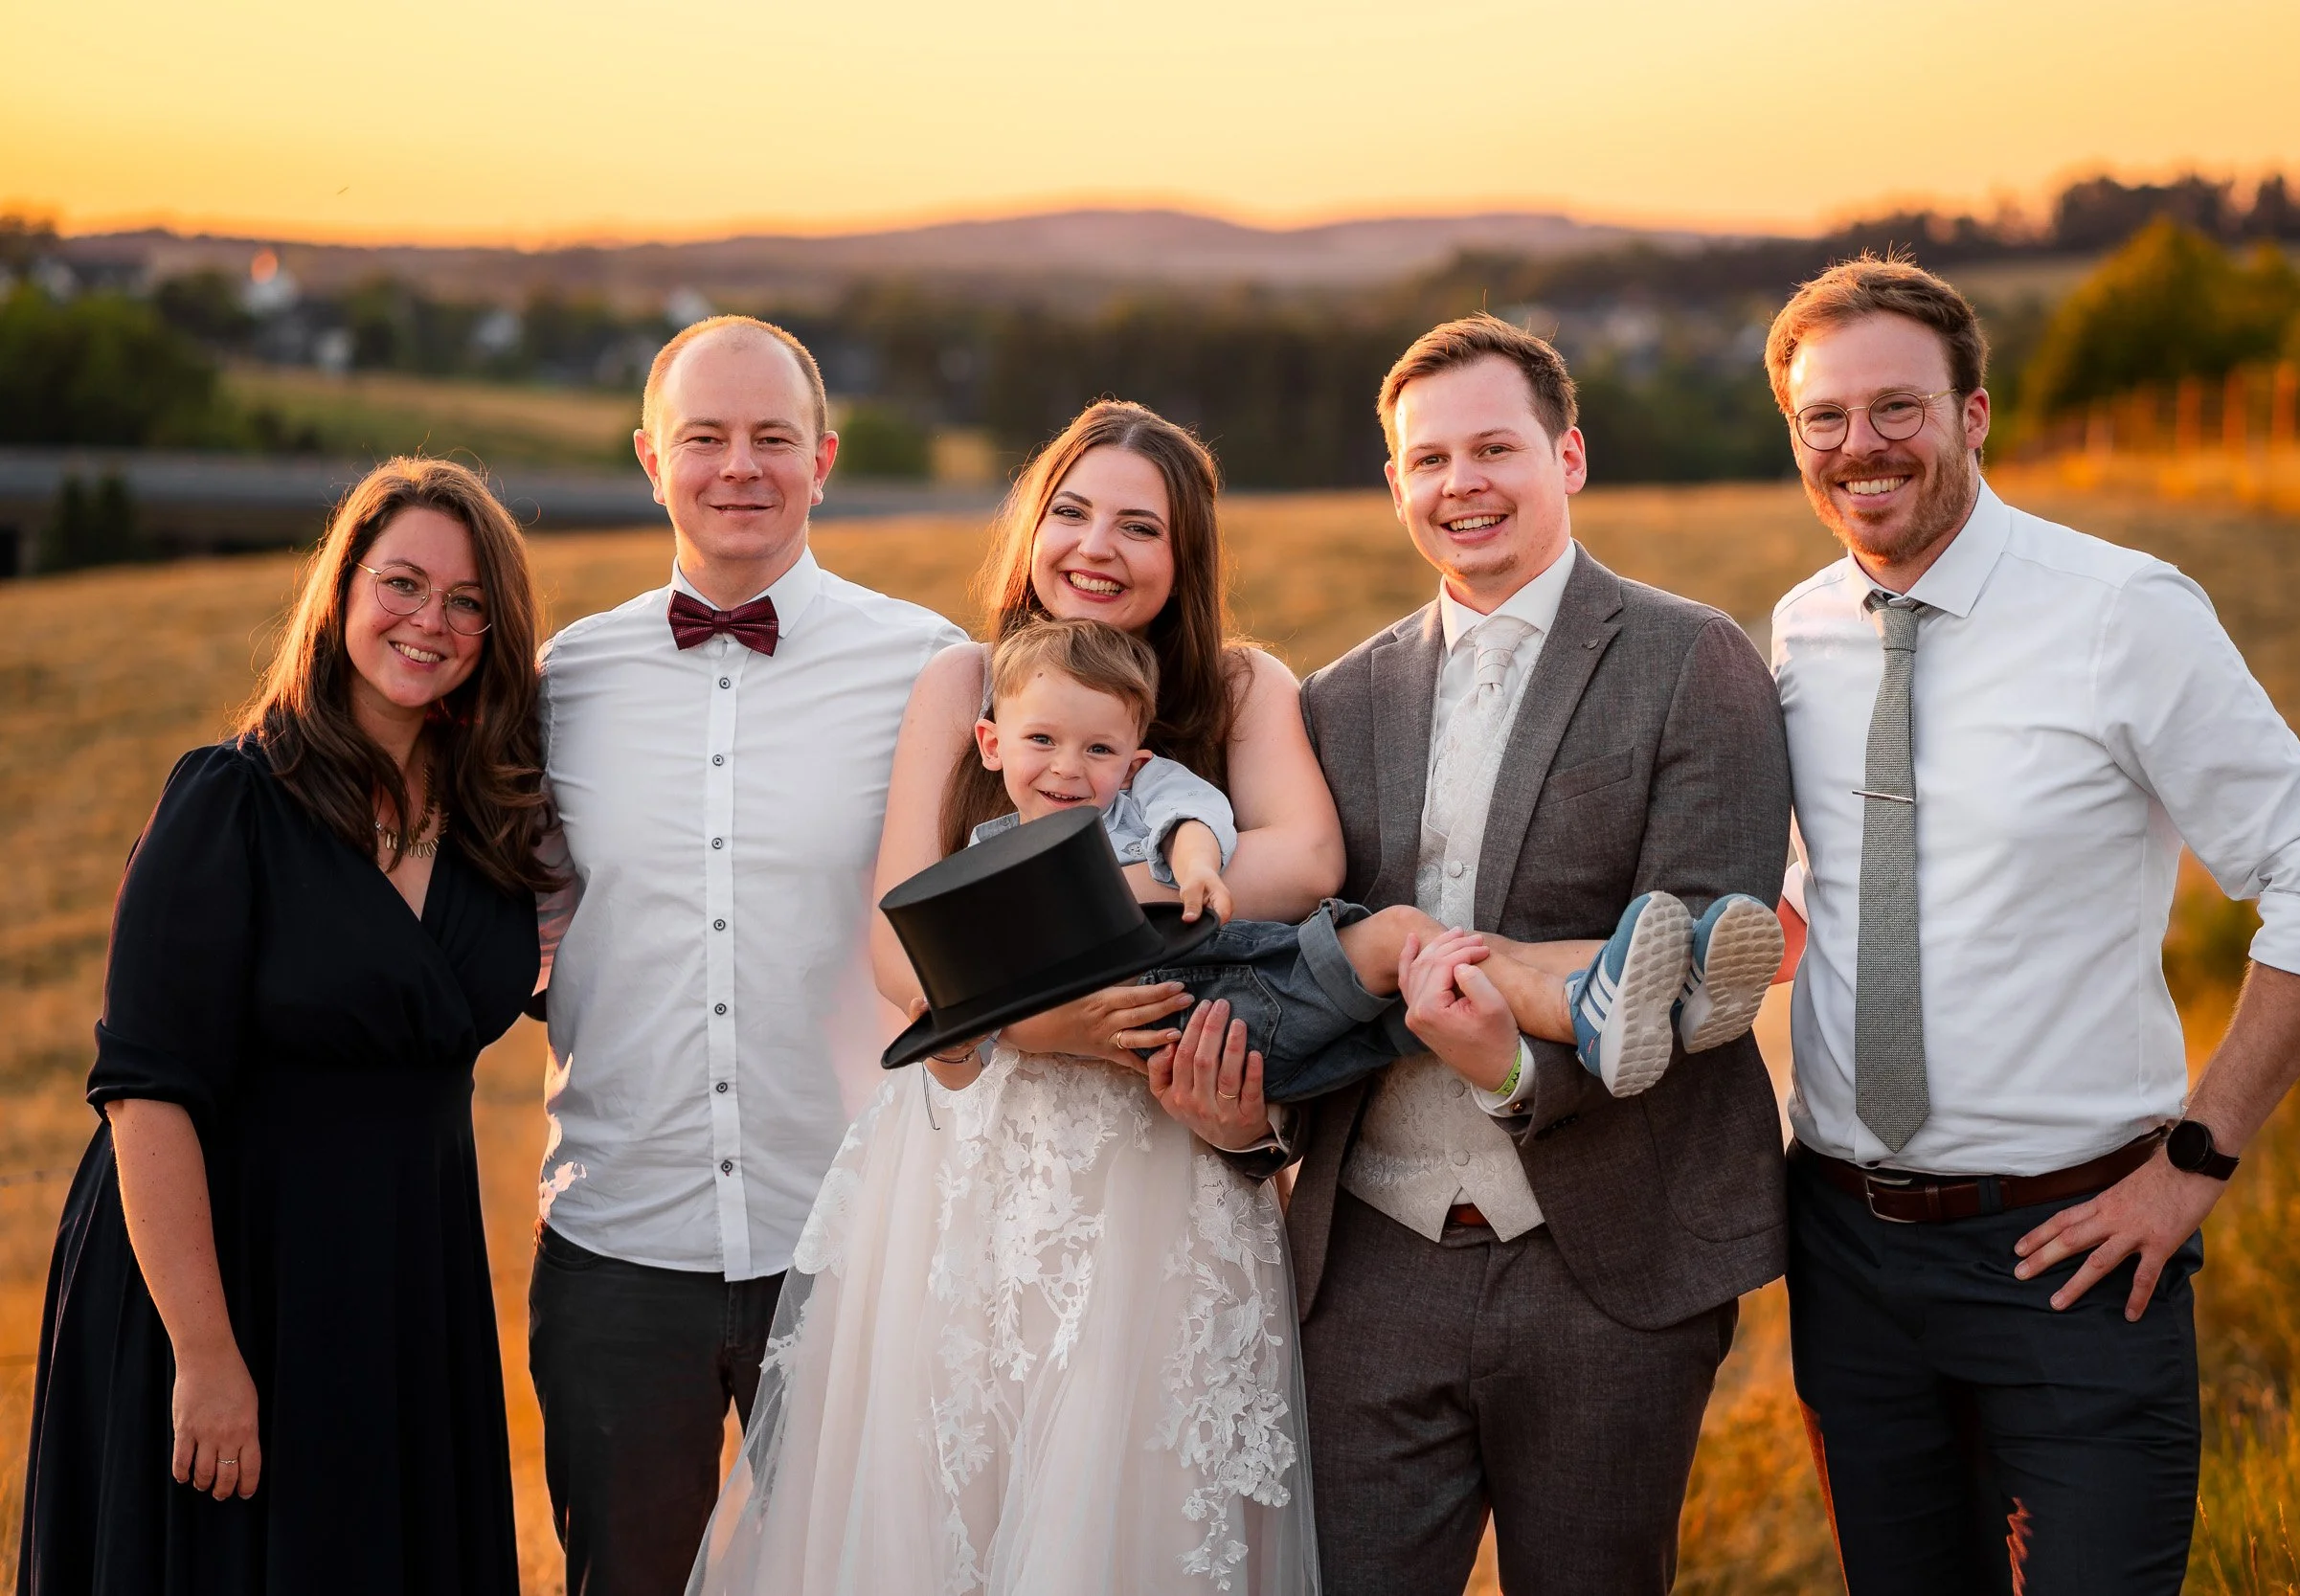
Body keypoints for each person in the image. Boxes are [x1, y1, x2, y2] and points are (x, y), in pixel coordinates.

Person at [1765, 258, 2300, 1594]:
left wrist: (2196, 1160)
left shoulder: (2122, 612)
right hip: (1846, 1254)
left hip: (2074, 1253)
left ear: (1974, 413)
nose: (1860, 447)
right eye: (1825, 418)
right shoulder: (1802, 630)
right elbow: (1835, 881)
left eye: (1898, 408)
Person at [686, 400, 1342, 1596]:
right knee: (948, 1496)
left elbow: (1303, 861)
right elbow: (899, 945)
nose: (1095, 546)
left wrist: (1099, 884)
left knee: (1124, 1487)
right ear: (1031, 525)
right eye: (1071, 512)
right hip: (972, 1156)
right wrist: (1048, 1021)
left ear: (1184, 557)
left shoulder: (1241, 686)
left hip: (1166, 1163)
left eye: (1138, 526)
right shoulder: (963, 680)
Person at [1217, 315, 1795, 1596]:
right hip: (1369, 1261)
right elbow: (1303, 953)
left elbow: (1704, 962)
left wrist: (1516, 1074)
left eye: (1495, 447)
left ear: (1569, 455)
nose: (1461, 482)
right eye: (1430, 459)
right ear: (1395, 484)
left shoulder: (1692, 658)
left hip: (1611, 1256)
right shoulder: (1339, 698)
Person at [17, 458, 553, 1595]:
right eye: (402, 583)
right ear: (343, 589)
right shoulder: (231, 799)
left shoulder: (495, 820)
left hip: (405, 1286)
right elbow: (147, 1091)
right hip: (224, 1280)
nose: (432, 621)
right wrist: (207, 1357)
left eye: (467, 602)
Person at [530, 316, 962, 1596]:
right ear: (649, 457)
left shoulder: (929, 665)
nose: (741, 465)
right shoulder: (567, 676)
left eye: (773, 437)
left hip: (850, 1241)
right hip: (615, 1242)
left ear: (823, 457)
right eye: (705, 437)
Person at [960, 615, 1783, 1099]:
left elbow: (1192, 811)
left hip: (1258, 975)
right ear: (993, 745)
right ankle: (1589, 1014)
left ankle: (1672, 982)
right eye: (1042, 741)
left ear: (1133, 757)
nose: (1069, 766)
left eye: (1098, 748)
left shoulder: (1144, 794)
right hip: (1211, 1018)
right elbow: (969, 994)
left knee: (1450, 948)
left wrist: (1201, 863)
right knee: (1406, 944)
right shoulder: (991, 862)